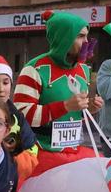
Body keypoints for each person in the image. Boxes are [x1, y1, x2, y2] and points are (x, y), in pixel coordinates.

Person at [13, 10, 104, 172]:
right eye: (80, 36)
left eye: (86, 36)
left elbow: (75, 118)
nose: (86, 42)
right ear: (64, 38)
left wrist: (89, 109)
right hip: (41, 154)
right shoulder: (34, 69)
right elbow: (21, 115)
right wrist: (65, 106)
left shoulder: (84, 70)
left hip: (75, 152)